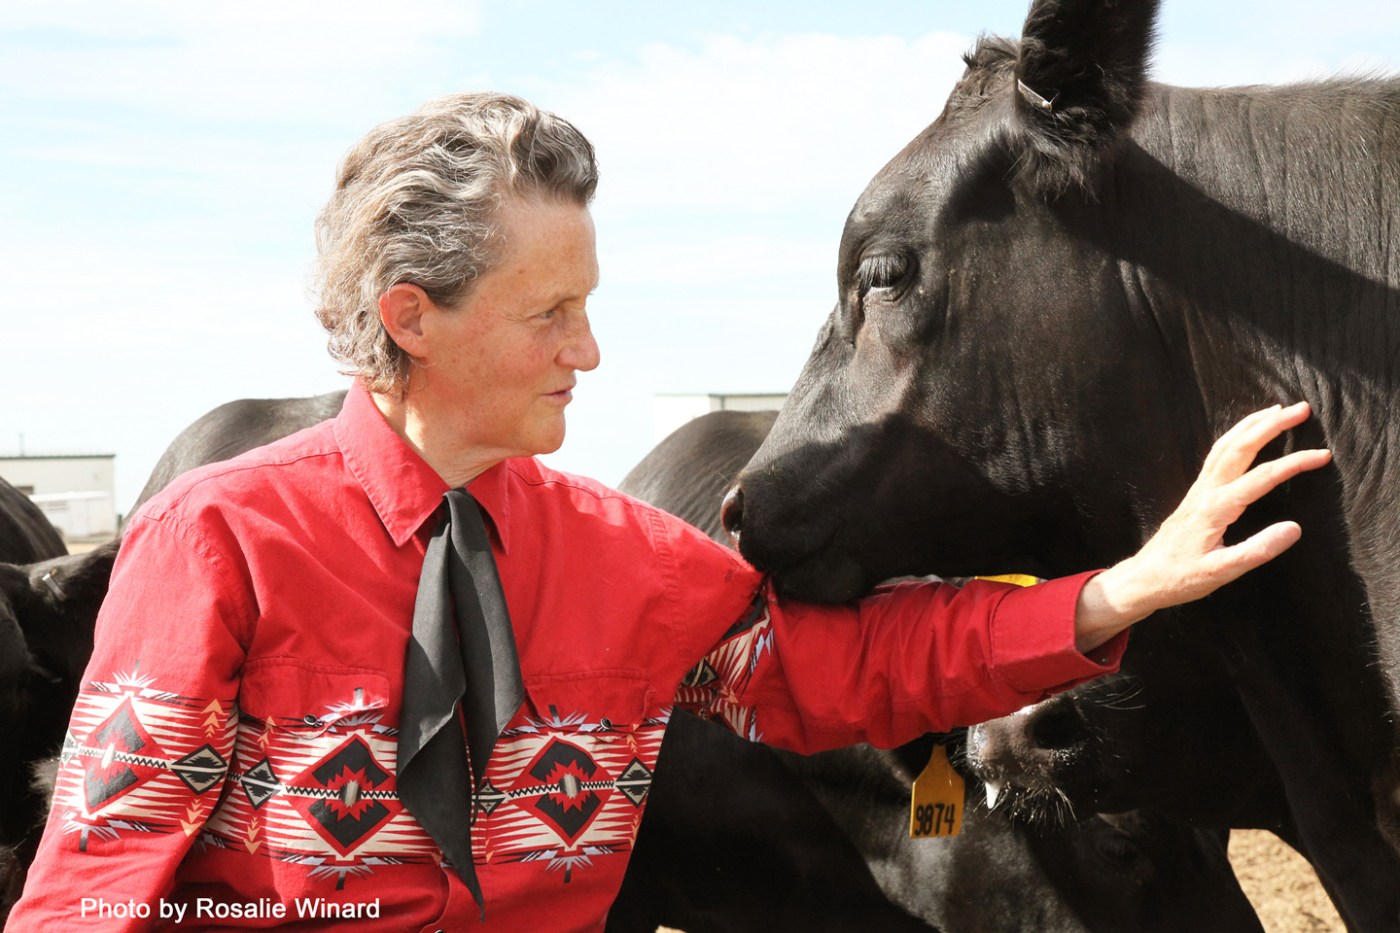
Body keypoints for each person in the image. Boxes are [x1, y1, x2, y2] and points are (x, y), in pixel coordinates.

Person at [7, 93, 1330, 931]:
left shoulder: (629, 561)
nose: (589, 350)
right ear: (412, 317)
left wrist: (1120, 591)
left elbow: (847, 669)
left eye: (589, 302)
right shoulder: (216, 541)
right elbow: (100, 881)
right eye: (549, 312)